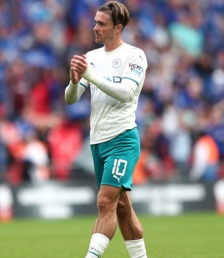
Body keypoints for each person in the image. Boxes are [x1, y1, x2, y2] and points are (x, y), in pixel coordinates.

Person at [65, 2, 148, 257]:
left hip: (122, 138)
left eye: (101, 23)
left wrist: (90, 76)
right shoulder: (91, 57)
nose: (95, 28)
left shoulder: (134, 56)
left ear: (118, 27)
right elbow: (70, 99)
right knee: (121, 206)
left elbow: (126, 93)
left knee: (104, 201)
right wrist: (74, 80)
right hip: (97, 141)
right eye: (95, 22)